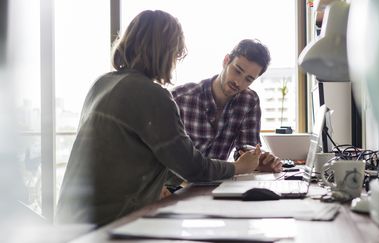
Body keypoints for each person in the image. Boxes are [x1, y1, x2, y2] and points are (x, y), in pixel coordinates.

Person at [55, 10, 260, 227]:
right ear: (165, 52)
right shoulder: (151, 95)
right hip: (109, 225)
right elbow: (193, 167)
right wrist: (238, 167)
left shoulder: (102, 83)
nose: (175, 61)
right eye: (176, 54)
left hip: (69, 224)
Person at [171, 39, 283, 173]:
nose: (238, 82)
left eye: (248, 79)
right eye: (237, 71)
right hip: (178, 184)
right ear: (226, 61)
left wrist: (259, 162)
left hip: (218, 182)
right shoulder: (180, 98)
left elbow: (245, 151)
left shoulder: (249, 101)